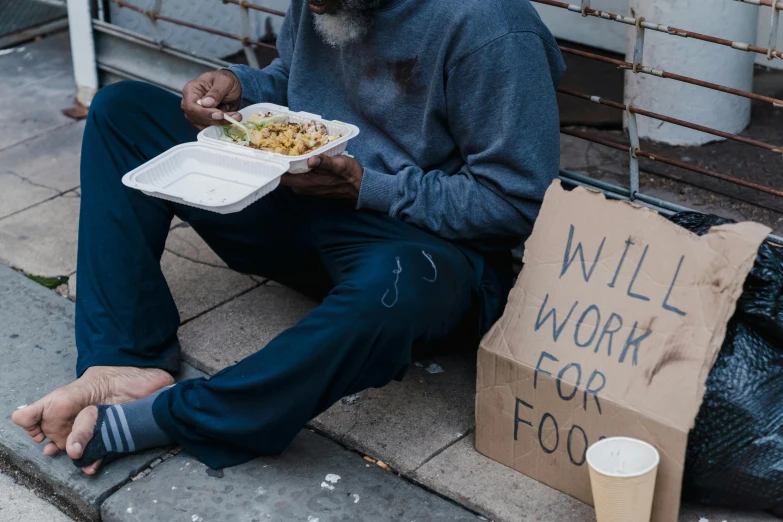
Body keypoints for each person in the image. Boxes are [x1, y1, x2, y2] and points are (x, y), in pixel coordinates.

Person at [13, 0, 565, 473]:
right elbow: (295, 86)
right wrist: (239, 88)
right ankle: (122, 361)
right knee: (121, 111)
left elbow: (516, 201)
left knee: (396, 288)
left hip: (413, 247)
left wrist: (369, 188)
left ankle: (181, 415)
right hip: (309, 203)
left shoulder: (492, 28)